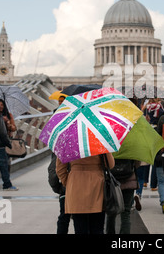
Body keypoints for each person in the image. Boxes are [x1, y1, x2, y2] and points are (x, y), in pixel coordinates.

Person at [56, 153, 115, 234]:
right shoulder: (99, 141)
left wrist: (68, 183)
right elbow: (110, 164)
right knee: (97, 228)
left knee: (80, 228)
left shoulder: (68, 143)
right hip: (97, 186)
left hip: (76, 186)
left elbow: (60, 169)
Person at [47, 95, 71, 234]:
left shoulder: (59, 142)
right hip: (84, 187)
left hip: (66, 186)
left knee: (64, 215)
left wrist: (62, 184)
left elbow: (55, 170)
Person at [105, 159, 140, 234]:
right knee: (126, 213)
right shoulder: (131, 147)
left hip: (113, 182)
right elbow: (137, 164)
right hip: (129, 181)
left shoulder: (110, 147)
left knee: (111, 211)